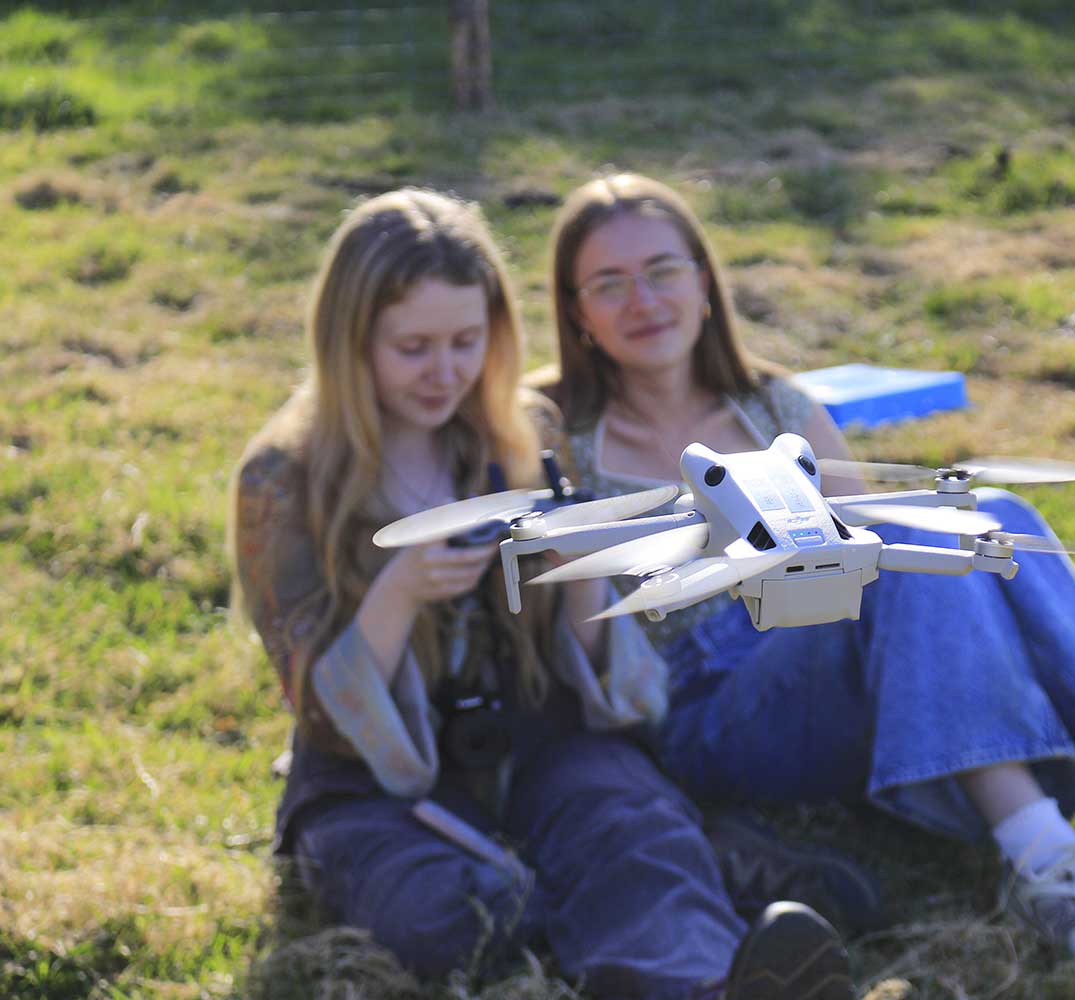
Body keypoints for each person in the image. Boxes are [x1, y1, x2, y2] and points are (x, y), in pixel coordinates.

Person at [531, 173, 1075, 987]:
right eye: (608, 284)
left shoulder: (775, 406)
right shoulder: (557, 431)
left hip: (823, 668)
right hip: (697, 707)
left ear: (701, 277)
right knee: (916, 534)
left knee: (986, 516)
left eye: (660, 270)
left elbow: (896, 591)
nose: (642, 301)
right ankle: (1050, 859)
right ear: (575, 309)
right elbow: (577, 653)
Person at [229, 187, 859, 1000]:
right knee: (447, 918)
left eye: (466, 341)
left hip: (541, 737)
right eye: (412, 347)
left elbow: (592, 656)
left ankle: (700, 977)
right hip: (374, 787)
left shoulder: (523, 432)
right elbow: (320, 712)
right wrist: (398, 592)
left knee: (631, 831)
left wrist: (582, 568)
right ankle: (709, 873)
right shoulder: (286, 477)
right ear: (351, 345)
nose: (445, 372)